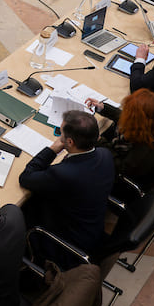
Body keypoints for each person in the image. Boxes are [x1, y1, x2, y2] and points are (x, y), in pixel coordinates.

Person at [18, 110, 114, 268]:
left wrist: (52, 149)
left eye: (60, 133)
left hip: (65, 243)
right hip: (91, 229)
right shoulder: (105, 155)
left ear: (69, 142)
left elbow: (26, 177)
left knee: (21, 208)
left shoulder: (63, 174)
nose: (58, 136)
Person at [85, 89, 154, 184]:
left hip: (123, 180)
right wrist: (103, 108)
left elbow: (119, 167)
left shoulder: (142, 150)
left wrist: (100, 141)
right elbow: (131, 117)